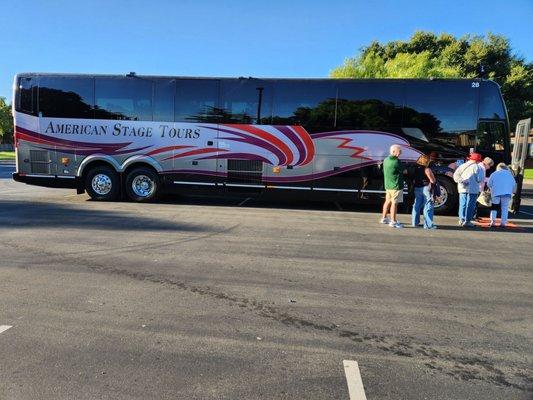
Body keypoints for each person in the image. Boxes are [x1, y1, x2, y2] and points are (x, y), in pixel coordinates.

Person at [453, 153, 484, 227]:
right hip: (473, 189)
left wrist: (462, 181)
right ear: (477, 160)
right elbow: (479, 179)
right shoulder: (478, 167)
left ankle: (461, 219)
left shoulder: (462, 166)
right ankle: (467, 221)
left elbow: (455, 176)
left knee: (462, 204)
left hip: (462, 188)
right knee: (470, 205)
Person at [380, 144, 404, 228]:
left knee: (387, 201)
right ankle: (393, 221)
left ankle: (384, 218)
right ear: (393, 151)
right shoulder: (397, 162)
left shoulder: (386, 160)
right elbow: (404, 171)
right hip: (396, 186)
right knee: (394, 203)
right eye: (399, 151)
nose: (400, 153)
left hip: (388, 185)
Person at [411, 154, 437, 229]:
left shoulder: (415, 168)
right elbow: (432, 180)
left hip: (417, 188)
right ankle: (428, 225)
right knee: (428, 206)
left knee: (417, 205)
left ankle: (414, 222)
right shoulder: (427, 169)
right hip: (426, 188)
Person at [487, 163, 517, 228]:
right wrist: (512, 191)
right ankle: (503, 223)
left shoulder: (494, 174)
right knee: (505, 208)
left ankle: (493, 222)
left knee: (494, 207)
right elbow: (514, 184)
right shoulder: (510, 175)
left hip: (496, 193)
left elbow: (489, 184)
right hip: (507, 193)